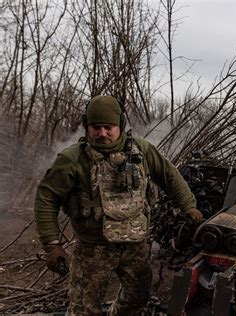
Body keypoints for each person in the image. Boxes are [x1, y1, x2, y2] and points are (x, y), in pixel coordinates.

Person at [34, 95, 203, 315]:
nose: (102, 133)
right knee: (84, 308)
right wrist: (52, 245)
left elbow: (170, 176)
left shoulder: (142, 151)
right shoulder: (73, 159)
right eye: (96, 127)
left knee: (137, 298)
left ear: (121, 125)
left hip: (134, 245)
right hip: (92, 248)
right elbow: (47, 197)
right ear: (87, 126)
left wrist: (189, 206)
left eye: (109, 127)